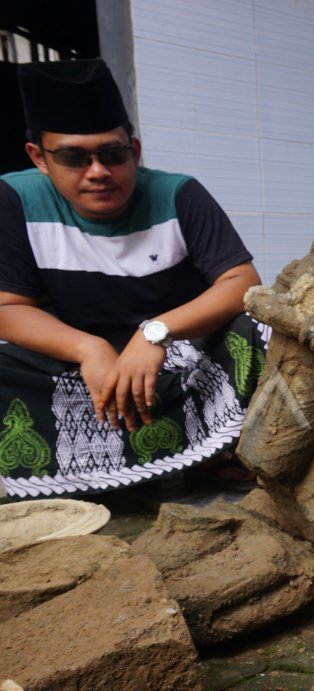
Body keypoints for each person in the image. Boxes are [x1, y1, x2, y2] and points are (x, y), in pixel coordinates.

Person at [0, 59, 266, 497]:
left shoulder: (179, 194)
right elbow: (9, 307)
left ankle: (217, 456)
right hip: (75, 367)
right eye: (73, 157)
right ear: (39, 158)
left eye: (113, 154)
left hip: (178, 360)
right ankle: (87, 480)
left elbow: (241, 282)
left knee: (262, 326)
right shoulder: (15, 200)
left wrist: (155, 333)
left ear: (135, 151)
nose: (98, 172)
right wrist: (88, 349)